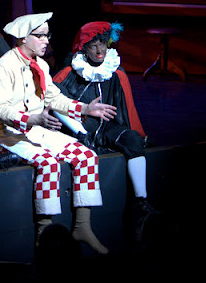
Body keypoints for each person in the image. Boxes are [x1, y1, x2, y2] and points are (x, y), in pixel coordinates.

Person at [0, 12, 117, 253]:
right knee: (49, 163)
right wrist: (33, 118)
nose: (47, 40)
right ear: (24, 38)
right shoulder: (4, 66)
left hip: (37, 130)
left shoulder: (41, 65)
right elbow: (2, 110)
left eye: (48, 35)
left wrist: (85, 108)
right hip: (9, 135)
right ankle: (43, 233)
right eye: (41, 36)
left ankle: (82, 227)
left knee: (87, 156)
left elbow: (54, 98)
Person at [53, 21, 158, 242]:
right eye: (93, 46)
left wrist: (138, 133)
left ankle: (141, 201)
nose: (99, 50)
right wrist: (80, 128)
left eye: (102, 44)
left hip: (107, 127)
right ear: (84, 48)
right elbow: (55, 104)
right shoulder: (69, 73)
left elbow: (127, 108)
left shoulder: (114, 71)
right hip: (80, 128)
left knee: (132, 139)